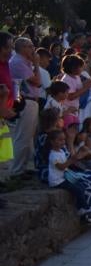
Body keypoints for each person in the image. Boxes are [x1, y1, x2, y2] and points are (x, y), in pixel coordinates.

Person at [43, 128, 91, 226]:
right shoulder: (53, 155)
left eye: (63, 140)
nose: (63, 142)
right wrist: (72, 159)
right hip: (57, 181)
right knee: (77, 189)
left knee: (83, 186)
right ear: (52, 142)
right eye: (60, 140)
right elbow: (61, 167)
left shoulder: (61, 151)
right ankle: (83, 211)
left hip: (63, 177)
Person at [9, 36, 43, 177]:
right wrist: (36, 64)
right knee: (22, 137)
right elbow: (37, 81)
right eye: (29, 46)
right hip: (25, 101)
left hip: (30, 101)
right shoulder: (17, 62)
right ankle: (16, 171)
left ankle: (22, 168)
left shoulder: (24, 61)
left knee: (28, 138)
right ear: (22, 48)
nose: (33, 49)